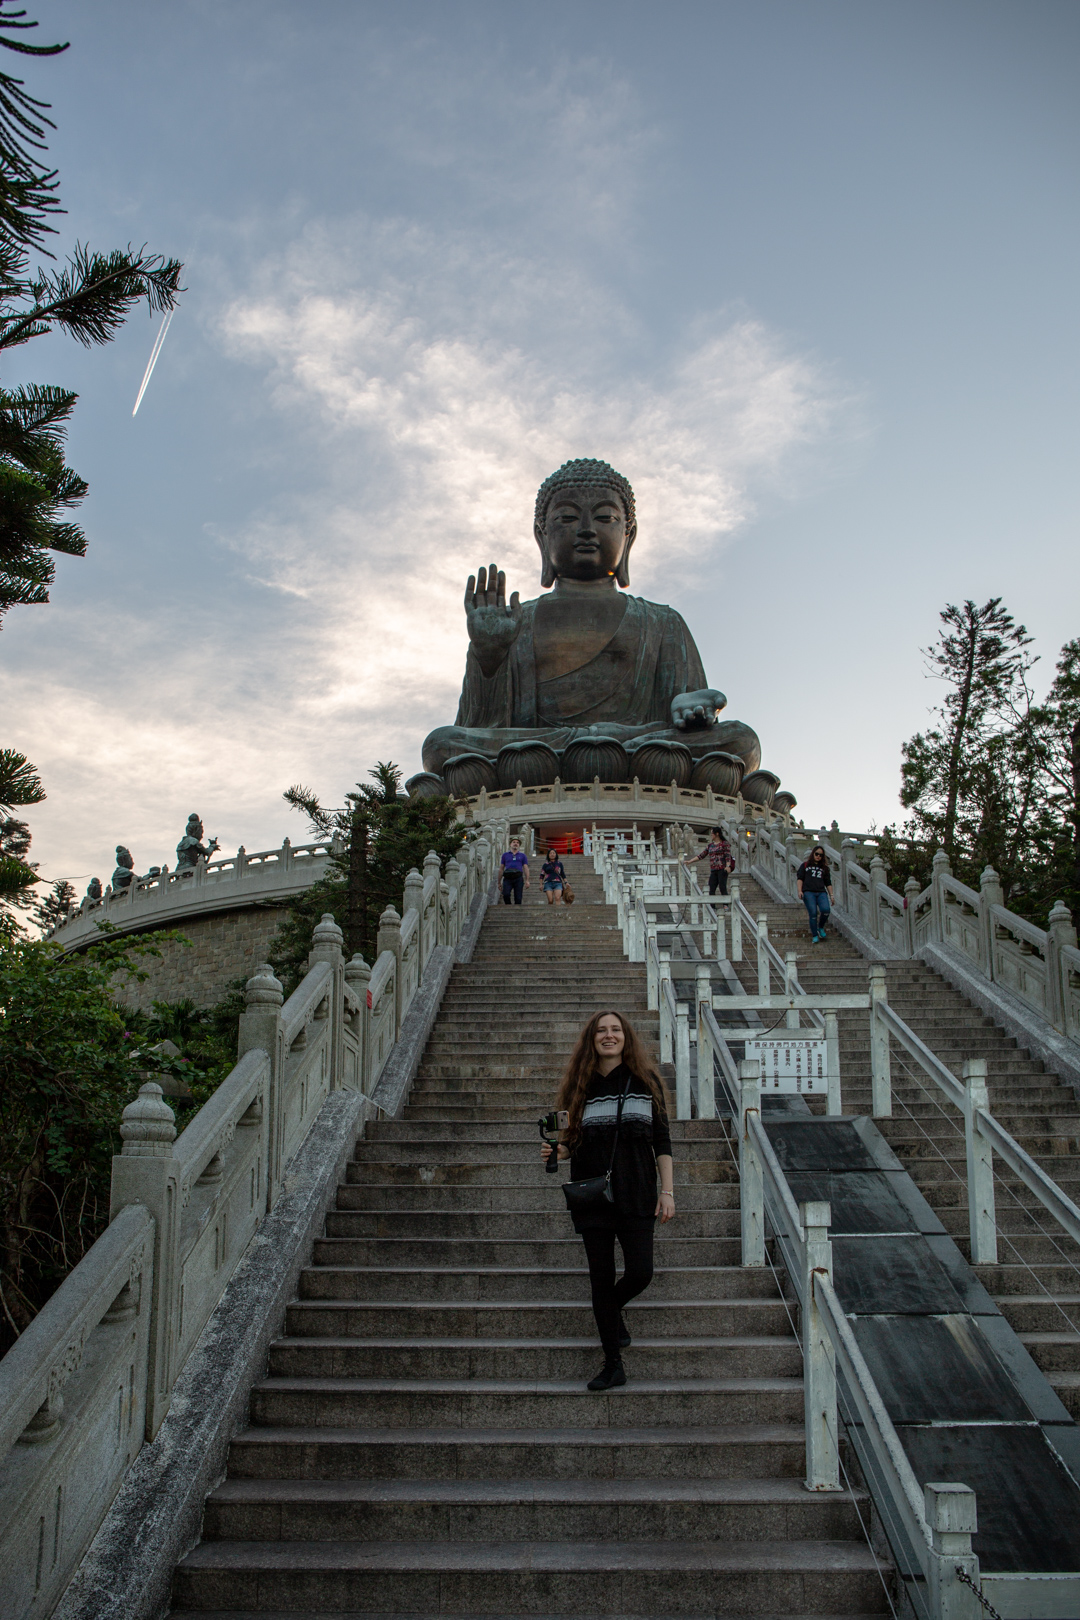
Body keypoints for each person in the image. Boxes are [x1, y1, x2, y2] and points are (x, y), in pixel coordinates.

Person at [540, 1009, 674, 1392]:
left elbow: (661, 1142)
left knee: (640, 1272)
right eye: (601, 1030)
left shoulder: (647, 1081)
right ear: (591, 1039)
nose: (609, 1035)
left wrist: (667, 1191)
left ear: (626, 1037)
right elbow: (566, 1143)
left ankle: (611, 1314)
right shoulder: (577, 1088)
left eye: (615, 1030)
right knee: (600, 1279)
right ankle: (613, 1363)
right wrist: (557, 1153)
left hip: (637, 1193)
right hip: (591, 1195)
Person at [797, 845, 834, 942]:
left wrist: (832, 895)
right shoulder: (805, 865)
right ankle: (814, 935)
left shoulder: (825, 868)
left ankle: (820, 927)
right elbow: (800, 879)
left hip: (821, 892)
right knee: (813, 913)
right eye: (816, 854)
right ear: (813, 853)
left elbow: (828, 883)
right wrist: (800, 891)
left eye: (821, 855)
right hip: (809, 892)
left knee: (826, 910)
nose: (818, 856)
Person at [683, 826, 734, 896]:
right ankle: (712, 906)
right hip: (713, 870)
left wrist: (728, 866)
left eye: (712, 833)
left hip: (722, 869)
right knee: (711, 888)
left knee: (722, 887)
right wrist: (690, 861)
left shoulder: (724, 844)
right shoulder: (710, 845)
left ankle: (725, 905)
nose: (711, 835)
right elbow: (701, 855)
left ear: (717, 834)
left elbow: (727, 855)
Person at [500, 837, 530, 905]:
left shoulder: (523, 856)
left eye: (517, 843)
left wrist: (527, 880)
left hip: (518, 877)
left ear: (519, 845)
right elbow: (501, 868)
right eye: (514, 842)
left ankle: (517, 912)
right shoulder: (505, 855)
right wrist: (499, 882)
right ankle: (508, 908)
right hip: (507, 877)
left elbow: (526, 867)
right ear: (510, 844)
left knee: (518, 898)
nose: (515, 844)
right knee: (506, 894)